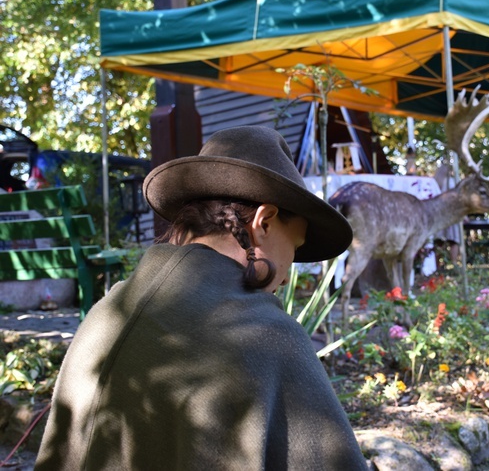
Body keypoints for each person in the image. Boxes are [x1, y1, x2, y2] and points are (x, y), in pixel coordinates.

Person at [35, 126, 368, 470]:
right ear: (264, 223)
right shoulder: (265, 336)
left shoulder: (107, 313)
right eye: (294, 247)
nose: (286, 276)